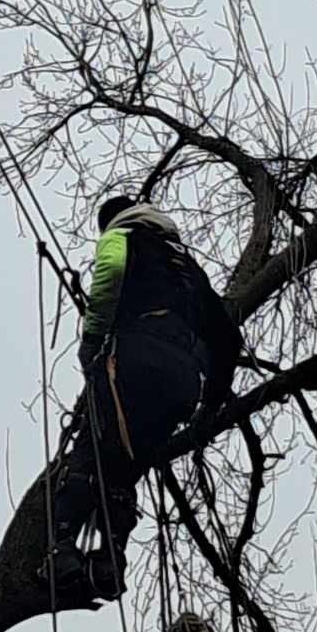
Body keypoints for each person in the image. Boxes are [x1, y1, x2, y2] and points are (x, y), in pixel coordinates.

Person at [44, 194, 241, 597]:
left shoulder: (121, 234)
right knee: (126, 464)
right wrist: (209, 406)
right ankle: (109, 560)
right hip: (184, 381)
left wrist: (94, 337)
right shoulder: (188, 268)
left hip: (133, 359)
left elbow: (112, 268)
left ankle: (60, 549)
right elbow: (228, 338)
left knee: (92, 452)